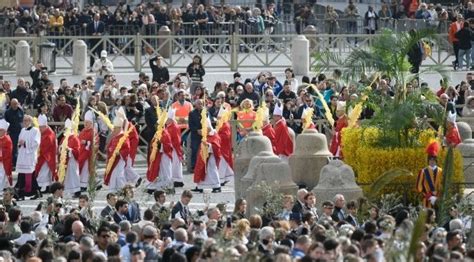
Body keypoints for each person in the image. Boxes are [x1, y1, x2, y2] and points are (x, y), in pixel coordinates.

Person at [14, 115, 41, 200]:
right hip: (23, 155)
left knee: (28, 174)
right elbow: (19, 141)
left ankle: (23, 193)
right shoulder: (22, 130)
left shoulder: (35, 130)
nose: (24, 122)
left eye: (26, 121)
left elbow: (36, 142)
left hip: (30, 155)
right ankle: (35, 191)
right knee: (23, 174)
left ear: (30, 121)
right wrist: (20, 143)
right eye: (24, 121)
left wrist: (25, 143)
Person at [146, 112, 173, 194]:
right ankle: (157, 186)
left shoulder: (165, 133)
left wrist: (160, 145)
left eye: (158, 125)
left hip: (164, 156)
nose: (156, 126)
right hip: (157, 156)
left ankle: (166, 186)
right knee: (158, 171)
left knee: (165, 171)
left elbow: (168, 146)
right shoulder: (157, 133)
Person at [192, 118, 222, 193]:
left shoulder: (214, 135)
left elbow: (216, 146)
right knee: (201, 169)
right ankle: (200, 186)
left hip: (211, 157)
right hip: (203, 155)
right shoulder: (206, 135)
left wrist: (208, 145)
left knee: (212, 170)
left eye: (206, 128)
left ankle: (216, 186)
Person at [104, 108, 130, 192]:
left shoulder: (123, 136)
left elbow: (127, 148)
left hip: (119, 160)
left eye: (115, 128)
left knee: (119, 175)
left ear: (119, 128)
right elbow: (110, 146)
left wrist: (120, 153)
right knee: (113, 175)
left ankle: (124, 190)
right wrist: (109, 149)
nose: (113, 130)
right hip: (113, 159)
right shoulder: (114, 136)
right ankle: (113, 191)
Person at [416, 141, 442, 208]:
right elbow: (419, 188)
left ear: (436, 160)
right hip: (427, 200)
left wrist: (438, 196)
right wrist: (428, 196)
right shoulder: (423, 171)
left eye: (433, 159)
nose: (432, 161)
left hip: (439, 200)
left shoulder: (440, 171)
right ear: (428, 160)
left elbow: (442, 185)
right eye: (430, 159)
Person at [35, 114, 57, 193]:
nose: (39, 129)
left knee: (44, 172)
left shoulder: (49, 133)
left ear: (45, 126)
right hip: (44, 155)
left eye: (41, 127)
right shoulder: (44, 131)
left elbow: (46, 145)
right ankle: (45, 187)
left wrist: (38, 149)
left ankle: (44, 187)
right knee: (44, 172)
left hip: (47, 156)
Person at [61, 119, 81, 198]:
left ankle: (77, 191)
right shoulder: (64, 138)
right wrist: (61, 149)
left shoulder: (75, 139)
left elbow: (77, 150)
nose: (66, 130)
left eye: (68, 129)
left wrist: (69, 149)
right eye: (66, 129)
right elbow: (60, 147)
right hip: (65, 161)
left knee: (73, 175)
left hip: (72, 160)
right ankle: (67, 190)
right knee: (67, 176)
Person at [78, 111, 97, 191]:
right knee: (82, 169)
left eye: (88, 122)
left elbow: (95, 142)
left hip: (89, 154)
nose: (85, 124)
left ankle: (84, 185)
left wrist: (86, 142)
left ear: (91, 123)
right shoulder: (83, 131)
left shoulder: (93, 131)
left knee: (86, 169)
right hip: (82, 153)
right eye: (85, 122)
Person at [166, 109, 184, 188]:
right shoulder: (169, 126)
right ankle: (175, 179)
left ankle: (177, 180)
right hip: (171, 147)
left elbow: (177, 139)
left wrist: (171, 145)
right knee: (174, 164)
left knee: (175, 164)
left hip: (174, 148)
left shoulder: (174, 127)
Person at [216, 107, 233, 186]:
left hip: (224, 147)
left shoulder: (225, 125)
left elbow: (226, 136)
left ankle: (221, 179)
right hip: (221, 146)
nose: (218, 118)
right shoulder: (221, 124)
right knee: (223, 164)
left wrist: (217, 136)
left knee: (222, 164)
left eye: (219, 117)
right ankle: (226, 178)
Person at [4, 99, 24, 166]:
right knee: (14, 149)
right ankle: (14, 164)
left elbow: (22, 120)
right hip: (12, 132)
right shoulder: (7, 112)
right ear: (11, 104)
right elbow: (6, 123)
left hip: (20, 132)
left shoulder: (20, 111)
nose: (15, 105)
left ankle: (20, 162)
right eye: (13, 104)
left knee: (21, 147)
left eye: (16, 104)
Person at [188, 99, 203, 171]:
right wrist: (197, 130)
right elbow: (191, 124)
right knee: (194, 149)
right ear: (195, 105)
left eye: (201, 104)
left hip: (204, 133)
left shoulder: (205, 112)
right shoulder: (192, 113)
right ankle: (193, 166)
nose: (200, 105)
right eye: (199, 104)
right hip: (195, 134)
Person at [124, 122, 141, 187]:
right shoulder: (127, 124)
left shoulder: (128, 125)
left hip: (130, 147)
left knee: (127, 166)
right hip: (129, 145)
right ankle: (127, 181)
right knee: (125, 166)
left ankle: (137, 178)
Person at [0, 119, 12, 193]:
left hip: (4, 161)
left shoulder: (7, 139)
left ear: (4, 131)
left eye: (1, 130)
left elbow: (8, 151)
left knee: (2, 175)